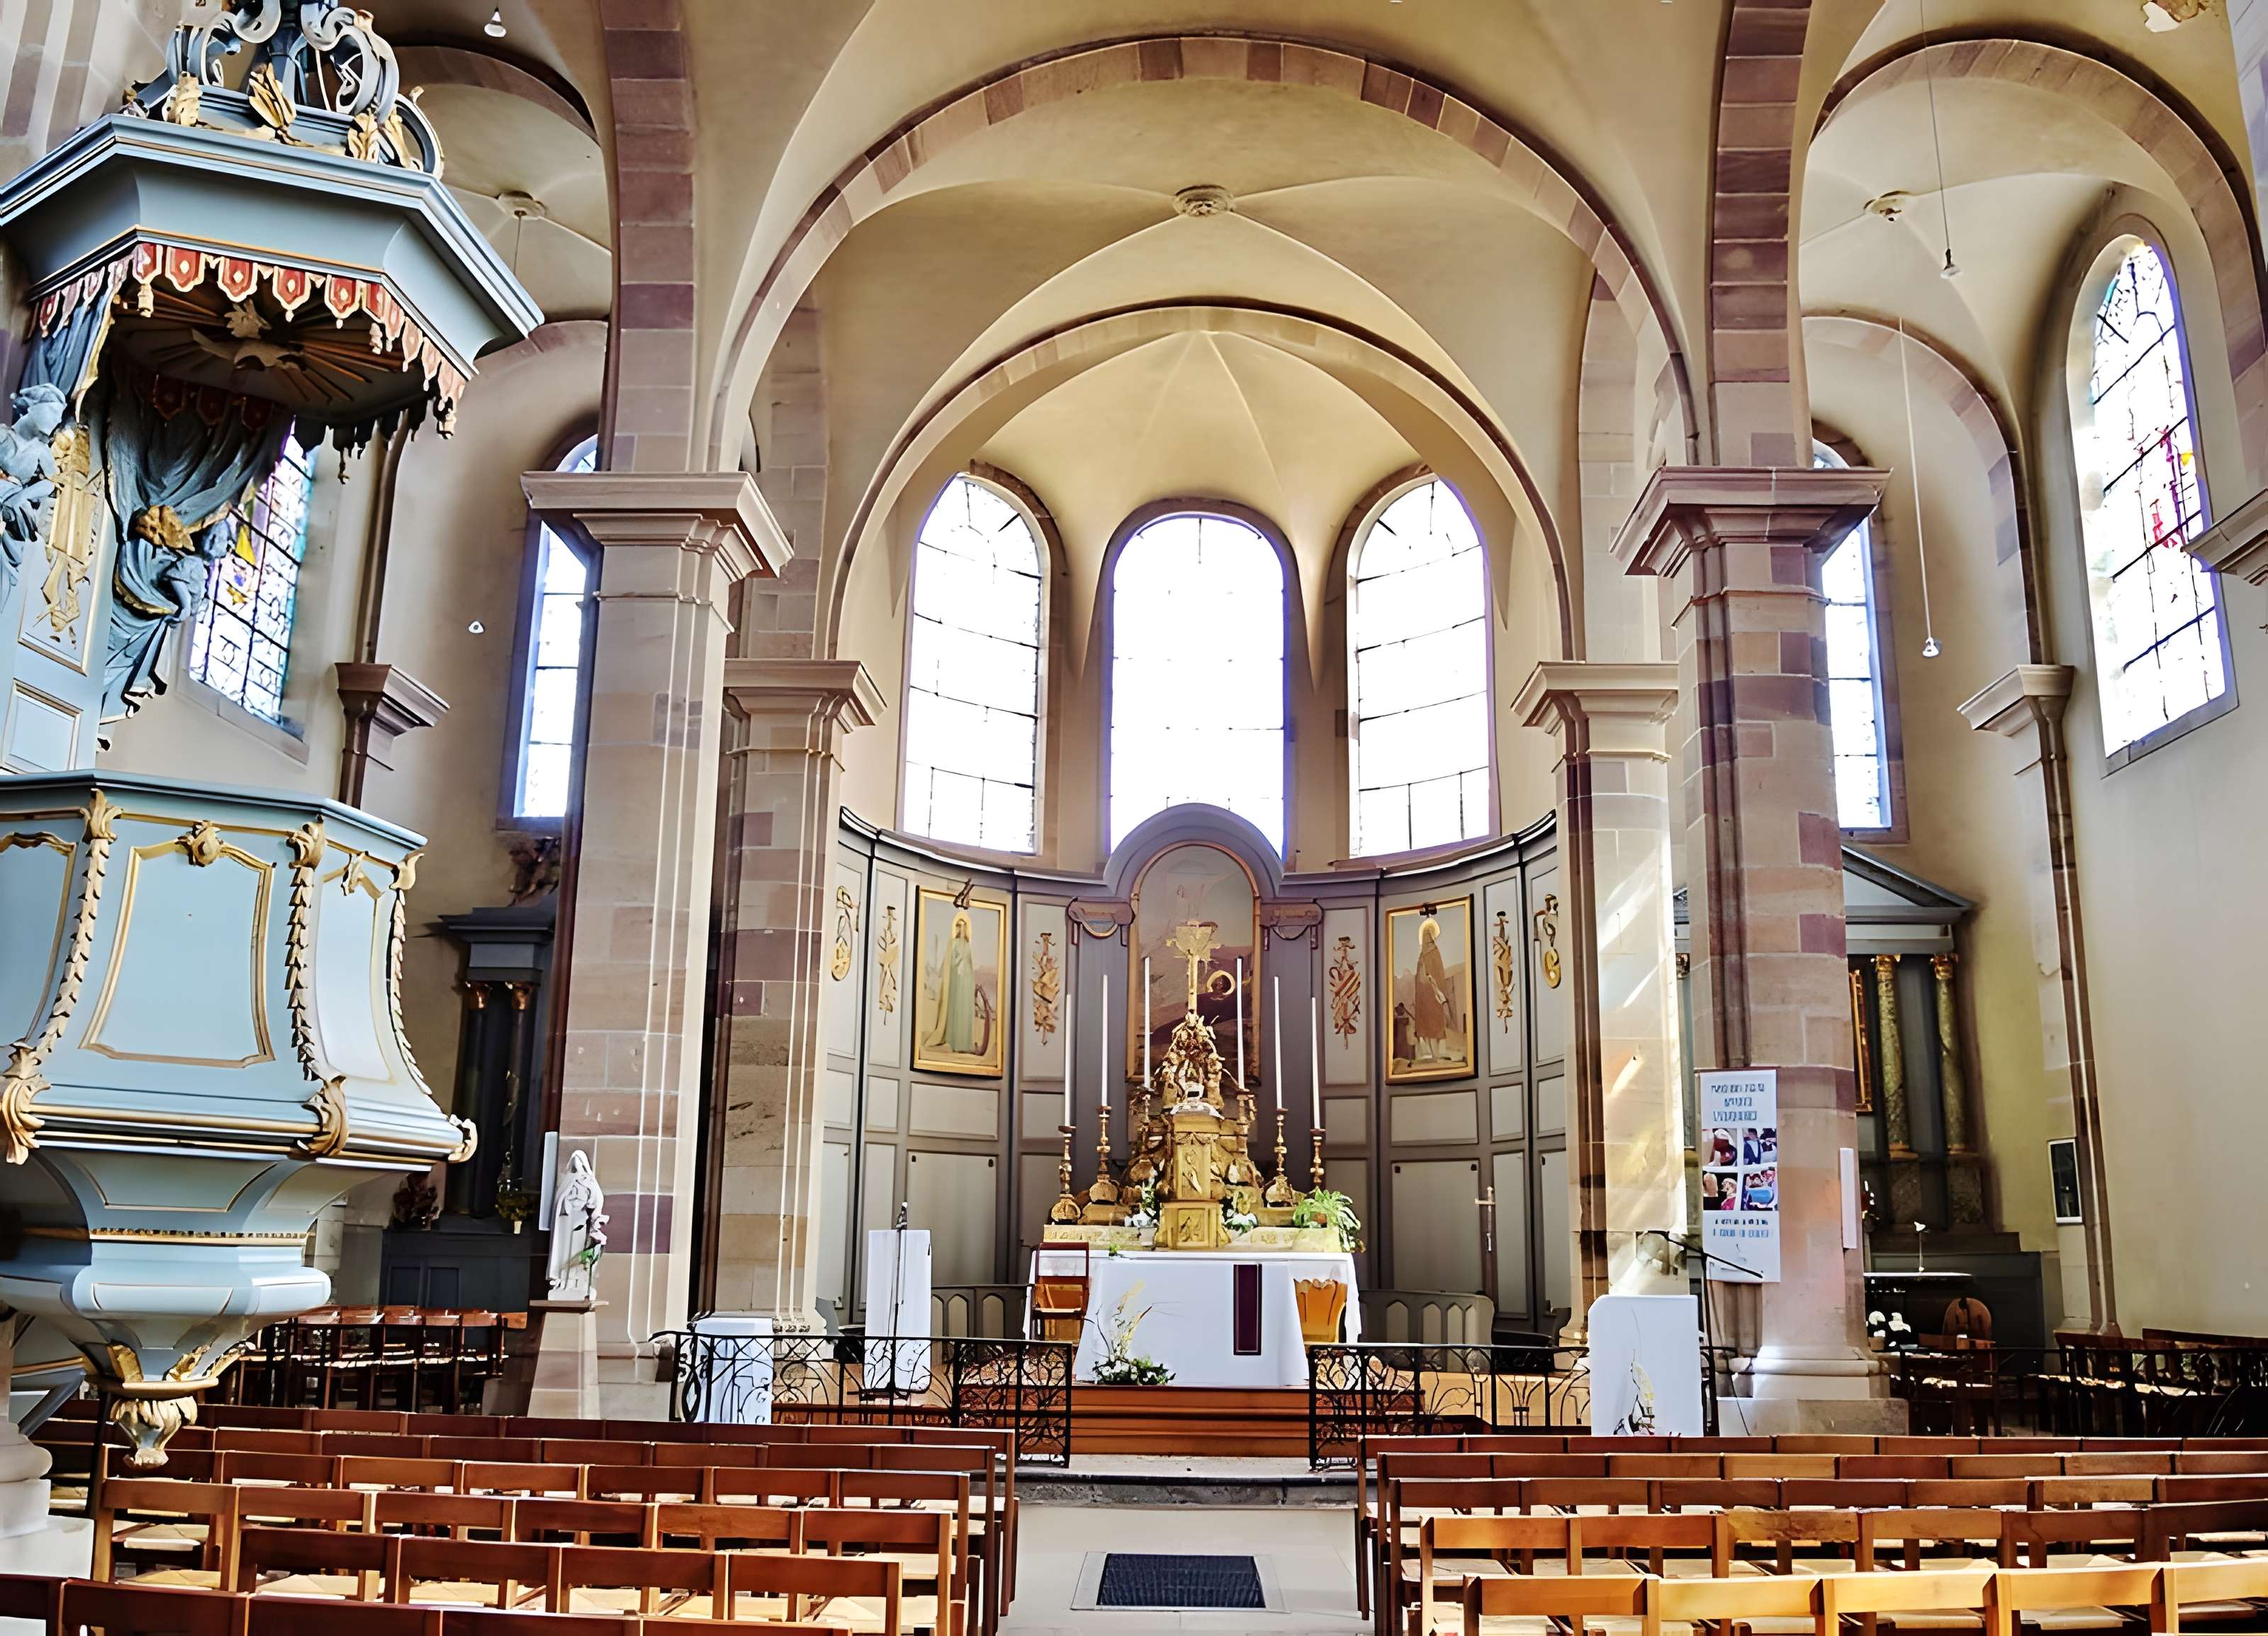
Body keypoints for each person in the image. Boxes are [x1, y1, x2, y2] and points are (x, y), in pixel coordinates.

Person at [922, 909, 978, 1056]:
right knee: (955, 1009)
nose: (961, 929)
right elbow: (949, 962)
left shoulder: (967, 946)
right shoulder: (952, 944)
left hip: (965, 981)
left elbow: (970, 965)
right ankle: (954, 1042)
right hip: (955, 981)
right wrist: (957, 964)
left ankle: (964, 1043)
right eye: (958, 926)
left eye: (963, 926)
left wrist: (967, 973)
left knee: (964, 1010)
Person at [1410, 916, 1454, 1062]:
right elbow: (1419, 978)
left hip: (1434, 994)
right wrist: (1423, 976)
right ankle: (1429, 1054)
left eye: (1429, 937)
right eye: (1425, 938)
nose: (1428, 941)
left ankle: (1437, 1054)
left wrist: (1433, 981)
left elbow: (1439, 972)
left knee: (1436, 1025)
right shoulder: (1421, 957)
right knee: (1426, 1026)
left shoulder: (1435, 952)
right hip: (1424, 995)